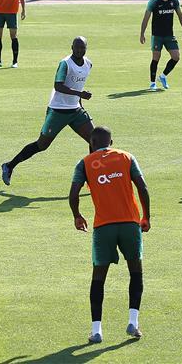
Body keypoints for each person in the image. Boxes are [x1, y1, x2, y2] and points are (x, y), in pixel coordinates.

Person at [69, 126, 150, 344]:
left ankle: (97, 330)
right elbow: (142, 187)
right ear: (111, 141)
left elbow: (74, 193)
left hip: (103, 227)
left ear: (92, 143)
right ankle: (133, 321)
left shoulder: (84, 163)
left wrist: (77, 215)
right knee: (136, 271)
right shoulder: (126, 157)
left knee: (98, 278)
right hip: (130, 225)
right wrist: (146, 217)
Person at [1, 37, 93, 185]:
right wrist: (80, 95)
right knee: (41, 145)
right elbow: (58, 86)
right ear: (72, 47)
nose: (79, 50)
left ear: (86, 48)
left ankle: (91, 176)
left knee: (94, 140)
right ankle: (9, 166)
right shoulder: (65, 64)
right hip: (58, 110)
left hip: (75, 111)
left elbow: (78, 85)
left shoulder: (88, 64)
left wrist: (80, 103)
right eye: (77, 47)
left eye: (82, 48)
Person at [139, 0, 182, 91]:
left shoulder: (174, 0)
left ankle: (163, 76)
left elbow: (180, 16)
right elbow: (146, 18)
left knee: (176, 57)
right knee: (156, 58)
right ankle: (152, 83)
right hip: (157, 36)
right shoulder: (154, 1)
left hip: (169, 35)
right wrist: (142, 34)